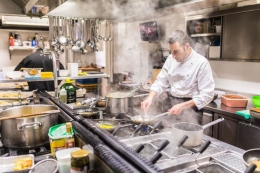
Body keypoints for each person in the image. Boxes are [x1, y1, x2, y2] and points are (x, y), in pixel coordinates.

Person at [141, 30, 215, 125]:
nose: (173, 56)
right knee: (169, 134)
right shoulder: (171, 59)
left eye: (176, 51)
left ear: (187, 46)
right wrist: (150, 97)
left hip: (191, 108)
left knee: (189, 138)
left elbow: (207, 95)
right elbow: (160, 81)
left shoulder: (201, 63)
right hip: (172, 104)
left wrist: (182, 106)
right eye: (171, 52)